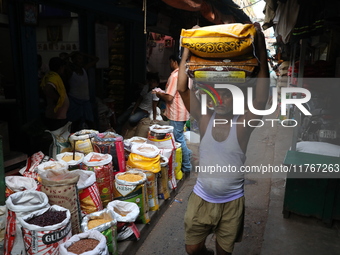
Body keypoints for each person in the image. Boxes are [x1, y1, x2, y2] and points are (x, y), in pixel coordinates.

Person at [177, 19, 269, 255]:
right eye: (216, 95)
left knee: (224, 253)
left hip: (232, 203)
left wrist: (261, 47)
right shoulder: (204, 120)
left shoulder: (243, 126)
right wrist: (187, 47)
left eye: (227, 96)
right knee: (192, 249)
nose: (220, 101)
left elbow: (261, 100)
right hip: (201, 199)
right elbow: (182, 89)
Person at [153, 55, 192, 173]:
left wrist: (159, 94)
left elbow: (169, 97)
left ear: (174, 62)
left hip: (177, 113)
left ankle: (187, 166)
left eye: (170, 61)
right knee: (180, 138)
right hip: (184, 110)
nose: (170, 64)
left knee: (179, 139)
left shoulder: (175, 76)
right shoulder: (187, 74)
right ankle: (188, 158)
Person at [66, 51, 99, 132]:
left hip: (85, 101)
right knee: (74, 123)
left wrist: (83, 54)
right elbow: (62, 61)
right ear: (73, 60)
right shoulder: (70, 72)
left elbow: (96, 59)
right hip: (74, 100)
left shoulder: (84, 69)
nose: (78, 60)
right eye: (76, 59)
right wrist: (70, 54)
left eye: (80, 59)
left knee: (90, 122)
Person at [40, 57, 69, 131]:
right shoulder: (53, 77)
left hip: (57, 116)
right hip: (56, 117)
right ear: (61, 67)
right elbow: (47, 89)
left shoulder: (52, 76)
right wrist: (58, 99)